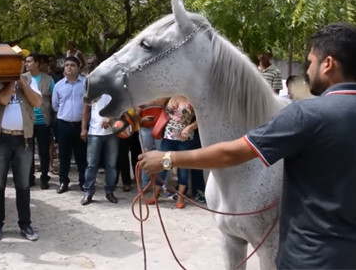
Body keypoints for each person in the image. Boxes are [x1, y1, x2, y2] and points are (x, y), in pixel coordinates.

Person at [138, 22, 356, 269]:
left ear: (328, 64)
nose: (308, 71)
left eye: (312, 62)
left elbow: (233, 153)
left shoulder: (306, 115)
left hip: (310, 258)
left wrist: (167, 159)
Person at [0, 69, 42, 242]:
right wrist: (11, 80)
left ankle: (25, 224)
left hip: (23, 138)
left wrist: (22, 82)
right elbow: (3, 99)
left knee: (23, 185)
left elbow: (37, 101)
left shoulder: (29, 80)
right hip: (0, 138)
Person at [52, 56, 87, 194]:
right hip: (63, 125)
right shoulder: (59, 85)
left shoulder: (85, 83)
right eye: (66, 65)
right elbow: (55, 106)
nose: (69, 67)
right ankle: (63, 182)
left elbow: (88, 105)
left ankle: (83, 182)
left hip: (80, 125)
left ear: (78, 67)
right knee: (63, 155)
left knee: (81, 156)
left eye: (72, 65)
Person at [81, 94, 119, 205]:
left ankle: (110, 191)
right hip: (94, 132)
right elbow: (86, 110)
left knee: (111, 165)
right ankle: (88, 192)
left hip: (112, 132)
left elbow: (120, 107)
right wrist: (83, 128)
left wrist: (110, 117)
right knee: (91, 164)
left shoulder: (113, 88)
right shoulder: (92, 90)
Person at [24, 54, 54, 189]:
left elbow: (55, 99)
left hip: (43, 121)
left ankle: (44, 178)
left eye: (29, 61)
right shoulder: (23, 78)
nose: (26, 64)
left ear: (37, 63)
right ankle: (29, 177)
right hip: (28, 121)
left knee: (43, 151)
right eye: (26, 62)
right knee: (28, 151)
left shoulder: (48, 80)